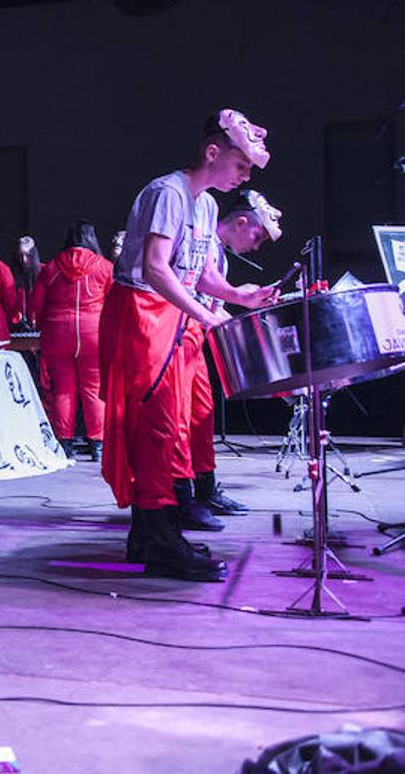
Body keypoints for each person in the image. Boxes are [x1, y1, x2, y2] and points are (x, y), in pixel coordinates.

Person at [99, 109, 278, 581]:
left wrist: (238, 296)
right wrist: (202, 312)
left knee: (172, 426)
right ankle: (159, 540)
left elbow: (198, 272)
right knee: (154, 426)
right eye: (241, 166)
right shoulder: (167, 192)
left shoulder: (206, 205)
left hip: (171, 318)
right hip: (143, 313)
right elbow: (157, 268)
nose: (244, 176)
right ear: (212, 152)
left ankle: (150, 532)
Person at [181, 190, 283, 529]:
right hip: (179, 333)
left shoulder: (219, 254)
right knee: (181, 420)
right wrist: (240, 303)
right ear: (241, 222)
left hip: (195, 337)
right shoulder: (204, 244)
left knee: (202, 416)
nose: (255, 246)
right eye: (256, 236)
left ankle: (205, 489)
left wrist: (249, 315)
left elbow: (212, 303)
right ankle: (180, 499)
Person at [31, 221, 113, 460]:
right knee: (94, 389)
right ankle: (97, 444)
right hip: (94, 333)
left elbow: (36, 306)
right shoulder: (104, 267)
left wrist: (42, 326)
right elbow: (114, 303)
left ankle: (64, 443)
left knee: (63, 390)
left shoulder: (52, 267)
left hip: (58, 334)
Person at [10, 235, 41, 330]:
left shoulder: (44, 273)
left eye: (28, 255)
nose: (24, 260)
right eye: (20, 255)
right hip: (17, 329)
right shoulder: (11, 275)